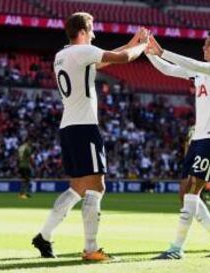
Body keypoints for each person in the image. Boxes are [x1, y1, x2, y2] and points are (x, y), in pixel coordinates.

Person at [32, 12, 148, 261]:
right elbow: (123, 58)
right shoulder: (82, 52)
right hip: (84, 128)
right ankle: (91, 248)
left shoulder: (63, 55)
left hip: (69, 127)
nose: (94, 34)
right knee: (97, 186)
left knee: (77, 188)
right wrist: (142, 46)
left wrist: (131, 42)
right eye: (92, 30)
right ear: (83, 32)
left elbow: (104, 61)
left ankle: (44, 236)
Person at [146, 28, 210, 259]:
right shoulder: (200, 72)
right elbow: (167, 69)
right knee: (185, 192)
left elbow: (200, 66)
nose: (204, 47)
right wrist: (149, 52)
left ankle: (176, 248)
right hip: (198, 137)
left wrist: (163, 50)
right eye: (205, 43)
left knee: (193, 191)